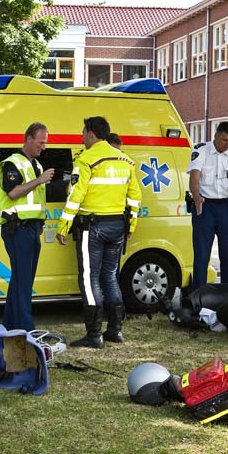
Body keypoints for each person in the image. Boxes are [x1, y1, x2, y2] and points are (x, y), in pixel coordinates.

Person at [56, 117, 142, 348]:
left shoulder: (86, 160)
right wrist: (131, 226)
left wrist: (63, 226)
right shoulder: (126, 161)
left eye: (83, 133)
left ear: (92, 134)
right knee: (110, 276)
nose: (82, 137)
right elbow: (135, 197)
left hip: (91, 226)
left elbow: (75, 197)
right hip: (117, 226)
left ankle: (94, 335)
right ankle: (115, 330)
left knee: (88, 278)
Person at [0, 122, 55, 331]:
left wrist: (40, 223)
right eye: (41, 142)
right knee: (23, 283)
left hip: (30, 228)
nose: (43, 147)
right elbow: (13, 192)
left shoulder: (36, 164)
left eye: (45, 143)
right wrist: (40, 180)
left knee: (22, 280)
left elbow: (35, 201)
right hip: (17, 228)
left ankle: (10, 325)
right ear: (28, 139)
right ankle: (25, 329)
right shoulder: (13, 163)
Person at [187, 121, 228, 289]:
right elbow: (194, 177)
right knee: (201, 255)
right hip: (205, 206)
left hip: (227, 208)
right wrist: (196, 196)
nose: (227, 144)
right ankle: (198, 295)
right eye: (224, 140)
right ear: (216, 136)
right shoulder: (201, 151)